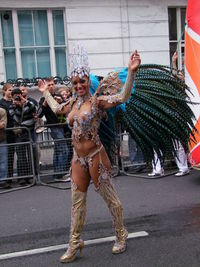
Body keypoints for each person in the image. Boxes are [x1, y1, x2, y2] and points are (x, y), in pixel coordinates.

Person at [38, 46, 141, 263]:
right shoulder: (72, 104)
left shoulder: (97, 102)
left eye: (82, 81)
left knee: (111, 200)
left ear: (87, 80)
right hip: (77, 160)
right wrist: (45, 92)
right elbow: (56, 109)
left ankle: (121, 234)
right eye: (75, 83)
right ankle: (75, 243)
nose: (78, 86)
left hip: (96, 157)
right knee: (77, 204)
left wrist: (131, 72)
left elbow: (122, 96)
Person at [148, 51, 190, 177]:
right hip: (162, 119)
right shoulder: (160, 90)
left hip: (173, 119)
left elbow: (178, 78)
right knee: (155, 144)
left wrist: (174, 63)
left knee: (176, 144)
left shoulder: (178, 89)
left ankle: (183, 168)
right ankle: (157, 170)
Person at [37, 78, 68, 181]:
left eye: (52, 84)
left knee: (58, 150)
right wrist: (45, 104)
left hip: (63, 126)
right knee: (63, 150)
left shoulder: (58, 96)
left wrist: (62, 101)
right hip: (54, 127)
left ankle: (57, 174)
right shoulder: (42, 99)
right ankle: (60, 174)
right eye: (48, 85)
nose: (51, 87)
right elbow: (39, 114)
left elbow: (66, 108)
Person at [9, 88, 37, 184]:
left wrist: (24, 102)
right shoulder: (11, 106)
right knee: (21, 156)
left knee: (31, 155)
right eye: (15, 96)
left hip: (29, 132)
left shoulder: (28, 103)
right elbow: (14, 117)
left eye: (18, 95)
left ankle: (31, 176)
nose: (17, 97)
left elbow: (34, 109)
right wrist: (17, 106)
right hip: (19, 134)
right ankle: (22, 177)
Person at [0, 83, 15, 185]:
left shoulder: (14, 102)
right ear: (4, 91)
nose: (11, 92)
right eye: (9, 90)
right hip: (5, 132)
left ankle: (8, 178)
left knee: (10, 156)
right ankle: (5, 179)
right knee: (4, 157)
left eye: (12, 90)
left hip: (13, 131)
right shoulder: (1, 103)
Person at [0, 107, 9, 189]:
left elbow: (2, 125)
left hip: (1, 139)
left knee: (3, 161)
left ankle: (3, 181)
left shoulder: (2, 111)